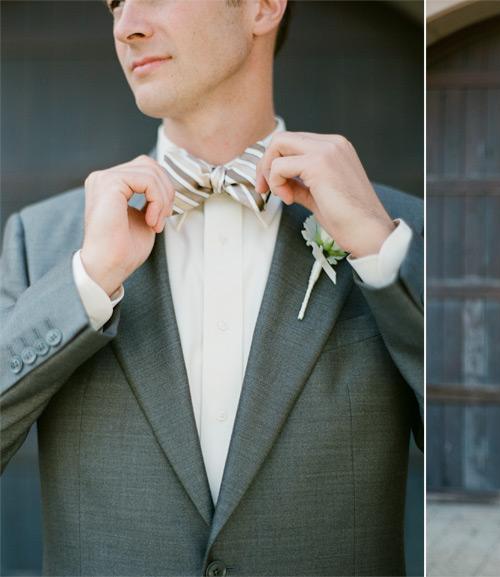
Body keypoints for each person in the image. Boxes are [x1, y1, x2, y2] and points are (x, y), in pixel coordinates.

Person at [0, 0, 422, 575]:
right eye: (115, 4)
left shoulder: (398, 231)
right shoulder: (42, 241)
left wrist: (380, 252)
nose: (127, 26)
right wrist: (84, 285)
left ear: (263, 8)